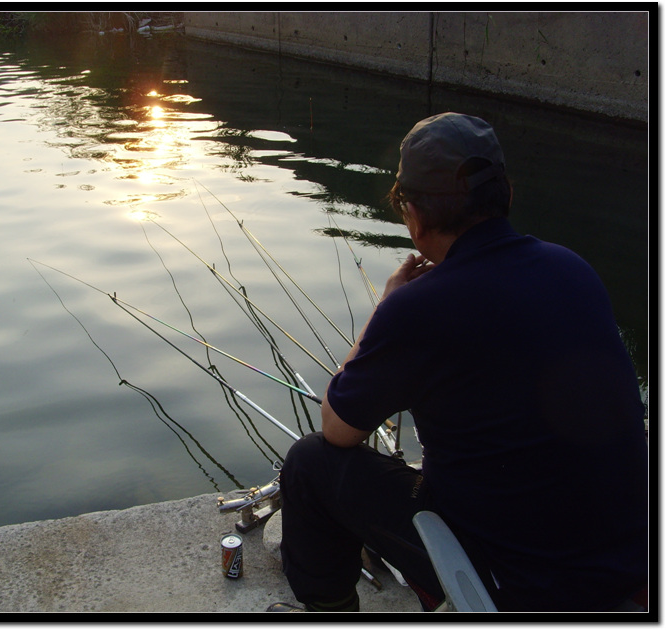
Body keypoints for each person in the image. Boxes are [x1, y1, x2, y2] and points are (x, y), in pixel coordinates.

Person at [268, 112, 648, 613]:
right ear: (506, 194)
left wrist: (384, 310)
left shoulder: (415, 309)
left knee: (309, 463)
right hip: (630, 563)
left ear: (413, 214)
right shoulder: (573, 269)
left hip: (521, 587)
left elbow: (337, 428)